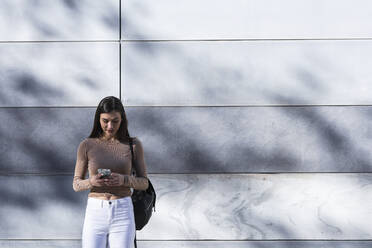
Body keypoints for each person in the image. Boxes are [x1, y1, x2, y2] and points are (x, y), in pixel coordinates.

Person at [73, 96, 149, 248]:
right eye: (105, 120)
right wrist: (91, 182)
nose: (110, 126)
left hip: (123, 210)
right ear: (98, 119)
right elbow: (76, 184)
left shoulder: (133, 145)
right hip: (95, 211)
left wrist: (124, 180)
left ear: (122, 119)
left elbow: (144, 183)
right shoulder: (87, 145)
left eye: (115, 121)